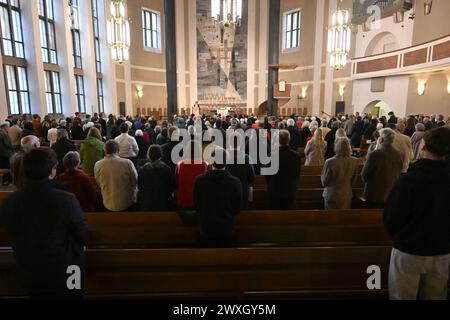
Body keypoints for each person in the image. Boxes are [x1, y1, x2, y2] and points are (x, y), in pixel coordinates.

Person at [0, 148, 88, 298]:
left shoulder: (10, 201)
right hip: (67, 271)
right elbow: (84, 235)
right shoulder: (67, 199)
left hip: (28, 270)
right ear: (52, 171)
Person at [384, 127, 450, 300]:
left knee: (402, 296)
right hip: (442, 251)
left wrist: (401, 236)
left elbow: (391, 219)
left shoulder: (407, 181)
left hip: (408, 251)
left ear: (423, 146)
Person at [193, 148, 242, 247]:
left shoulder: (199, 181)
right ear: (226, 161)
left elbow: (197, 204)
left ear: (211, 160)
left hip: (206, 228)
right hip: (227, 229)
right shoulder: (235, 182)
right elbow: (237, 208)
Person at [361, 128, 403, 208]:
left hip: (374, 195)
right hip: (391, 193)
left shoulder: (375, 154)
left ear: (381, 139)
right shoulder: (399, 154)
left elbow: (364, 175)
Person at [94, 140, 137, 212]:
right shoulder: (127, 163)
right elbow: (135, 181)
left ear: (105, 151)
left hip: (108, 203)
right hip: (127, 203)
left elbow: (99, 183)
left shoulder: (98, 165)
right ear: (118, 150)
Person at [266, 130, 301, 210]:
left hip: (275, 188)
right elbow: (297, 174)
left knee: (274, 215)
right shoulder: (296, 156)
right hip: (289, 189)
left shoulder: (272, 154)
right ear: (289, 140)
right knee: (288, 216)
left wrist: (271, 184)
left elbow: (267, 175)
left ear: (278, 140)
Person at [321, 138, 357, 209]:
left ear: (336, 147)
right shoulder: (354, 161)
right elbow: (353, 181)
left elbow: (324, 182)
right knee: (344, 218)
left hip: (332, 194)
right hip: (346, 194)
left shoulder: (330, 162)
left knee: (330, 218)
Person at [138, 145, 175, 211]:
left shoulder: (142, 170)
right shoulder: (167, 169)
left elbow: (140, 187)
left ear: (148, 155)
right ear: (160, 155)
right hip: (164, 204)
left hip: (147, 204)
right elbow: (171, 187)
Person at [225, 132, 255, 210]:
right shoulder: (247, 158)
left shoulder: (223, 157)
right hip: (243, 192)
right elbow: (251, 178)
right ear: (241, 143)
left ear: (229, 142)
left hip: (226, 193)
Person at [175, 142, 207, 209]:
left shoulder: (180, 165)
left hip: (182, 202)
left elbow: (175, 183)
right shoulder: (204, 165)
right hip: (199, 202)